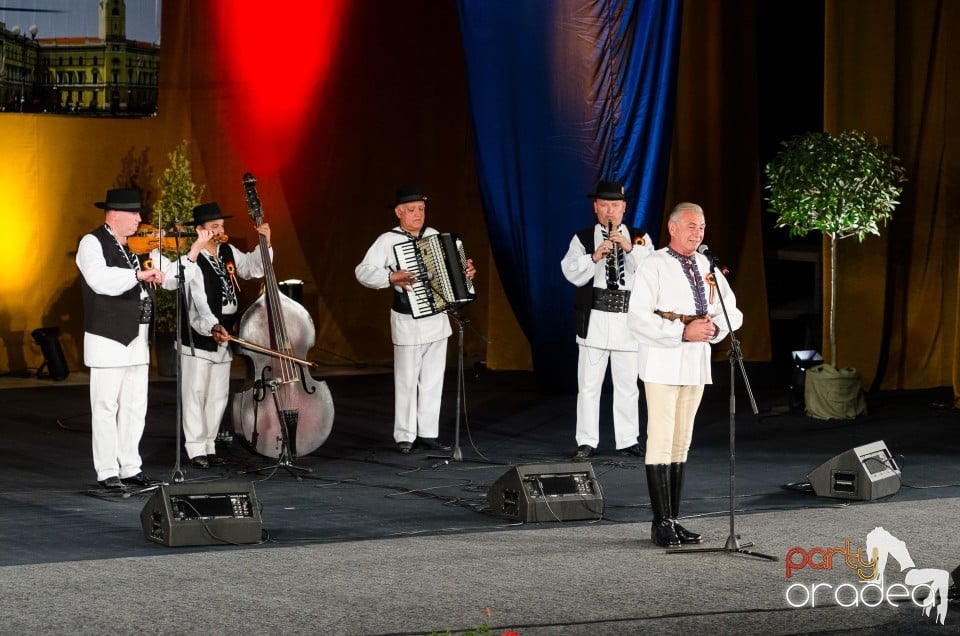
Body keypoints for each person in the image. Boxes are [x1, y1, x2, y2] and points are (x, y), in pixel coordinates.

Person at [628, 202, 743, 547]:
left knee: (681, 441)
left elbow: (731, 311)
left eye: (702, 227)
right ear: (673, 227)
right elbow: (637, 318)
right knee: (661, 439)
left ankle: (674, 520)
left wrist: (713, 329)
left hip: (694, 363)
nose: (698, 233)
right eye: (692, 226)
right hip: (663, 361)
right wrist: (681, 332)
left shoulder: (707, 265)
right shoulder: (654, 265)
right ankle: (660, 522)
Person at [76, 188, 206, 489]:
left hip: (137, 337)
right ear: (114, 214)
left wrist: (195, 248)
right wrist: (137, 277)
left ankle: (130, 466)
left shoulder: (143, 247)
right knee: (107, 407)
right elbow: (99, 280)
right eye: (133, 213)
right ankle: (107, 470)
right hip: (107, 338)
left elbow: (173, 278)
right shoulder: (91, 242)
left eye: (139, 213)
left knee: (136, 406)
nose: (139, 219)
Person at [355, 185, 476, 454]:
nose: (418, 214)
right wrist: (390, 277)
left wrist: (465, 273)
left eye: (421, 209)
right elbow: (362, 272)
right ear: (399, 213)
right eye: (411, 210)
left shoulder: (434, 236)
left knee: (433, 380)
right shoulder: (388, 240)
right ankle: (405, 435)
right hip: (407, 319)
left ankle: (429, 432)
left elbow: (451, 275)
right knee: (407, 379)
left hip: (437, 319)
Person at [560, 179, 654, 459]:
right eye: (604, 205)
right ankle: (586, 440)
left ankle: (627, 440)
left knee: (627, 385)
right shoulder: (583, 238)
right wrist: (594, 257)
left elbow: (650, 271)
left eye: (615, 205)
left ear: (624, 208)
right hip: (596, 319)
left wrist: (628, 247)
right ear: (596, 208)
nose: (610, 211)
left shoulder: (639, 236)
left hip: (627, 321)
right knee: (589, 385)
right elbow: (571, 272)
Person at [178, 202, 272, 469]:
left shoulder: (227, 251)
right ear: (200, 231)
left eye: (221, 226)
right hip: (199, 335)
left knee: (218, 394)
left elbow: (253, 268)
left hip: (226, 334)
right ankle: (196, 448)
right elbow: (196, 302)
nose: (220, 231)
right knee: (196, 393)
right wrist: (211, 327)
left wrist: (264, 243)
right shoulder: (192, 259)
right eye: (214, 227)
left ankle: (209, 445)